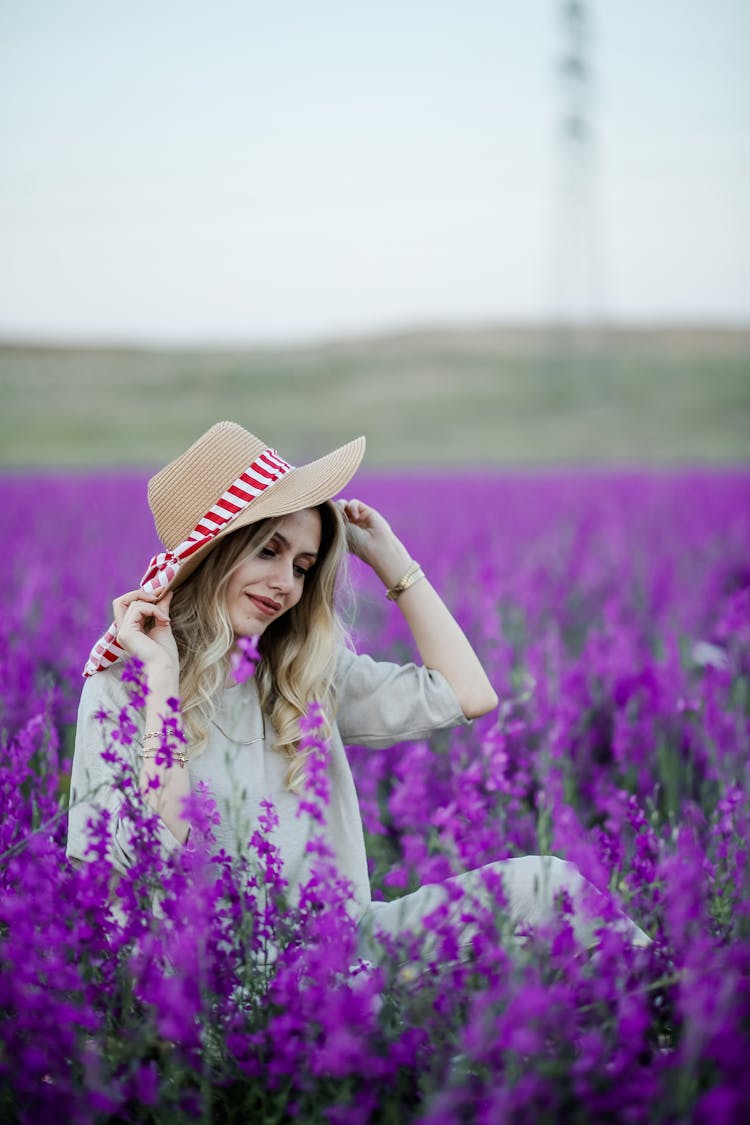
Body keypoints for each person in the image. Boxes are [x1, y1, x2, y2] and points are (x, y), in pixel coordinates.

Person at [67, 420, 650, 957]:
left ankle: (665, 1017)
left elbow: (467, 694)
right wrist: (164, 683)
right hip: (217, 986)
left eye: (303, 565)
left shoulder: (299, 676)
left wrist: (390, 560)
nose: (285, 583)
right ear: (211, 553)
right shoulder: (119, 692)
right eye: (268, 550)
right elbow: (151, 871)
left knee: (547, 886)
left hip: (347, 955)